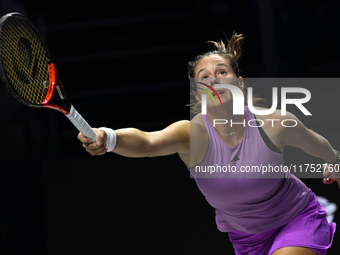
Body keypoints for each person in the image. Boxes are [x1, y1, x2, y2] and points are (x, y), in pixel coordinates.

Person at [78, 33, 338, 255]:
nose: (213, 80)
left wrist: (335, 161)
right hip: (246, 240)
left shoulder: (276, 123)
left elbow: (317, 144)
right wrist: (109, 138)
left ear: (239, 82)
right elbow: (147, 141)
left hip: (297, 218)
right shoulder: (192, 135)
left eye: (222, 72)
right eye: (204, 77)